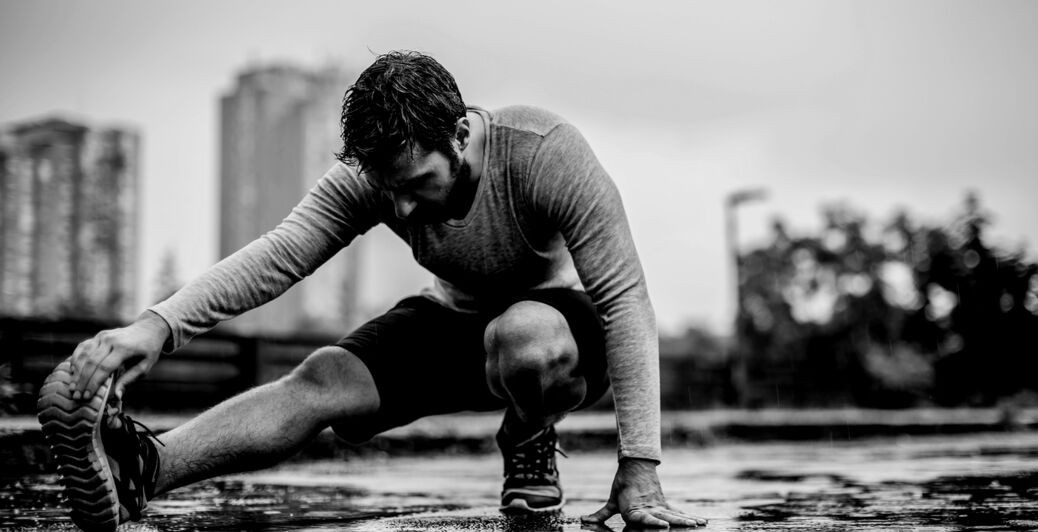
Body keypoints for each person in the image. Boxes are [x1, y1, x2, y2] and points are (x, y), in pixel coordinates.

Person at [38, 50, 707, 531]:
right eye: (389, 190)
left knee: (522, 337)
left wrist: (639, 465)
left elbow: (624, 300)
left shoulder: (544, 152)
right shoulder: (377, 178)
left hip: (561, 330)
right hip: (455, 317)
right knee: (323, 376)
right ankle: (142, 471)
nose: (404, 210)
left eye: (418, 185)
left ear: (461, 134)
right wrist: (153, 328)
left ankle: (528, 435)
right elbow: (277, 256)